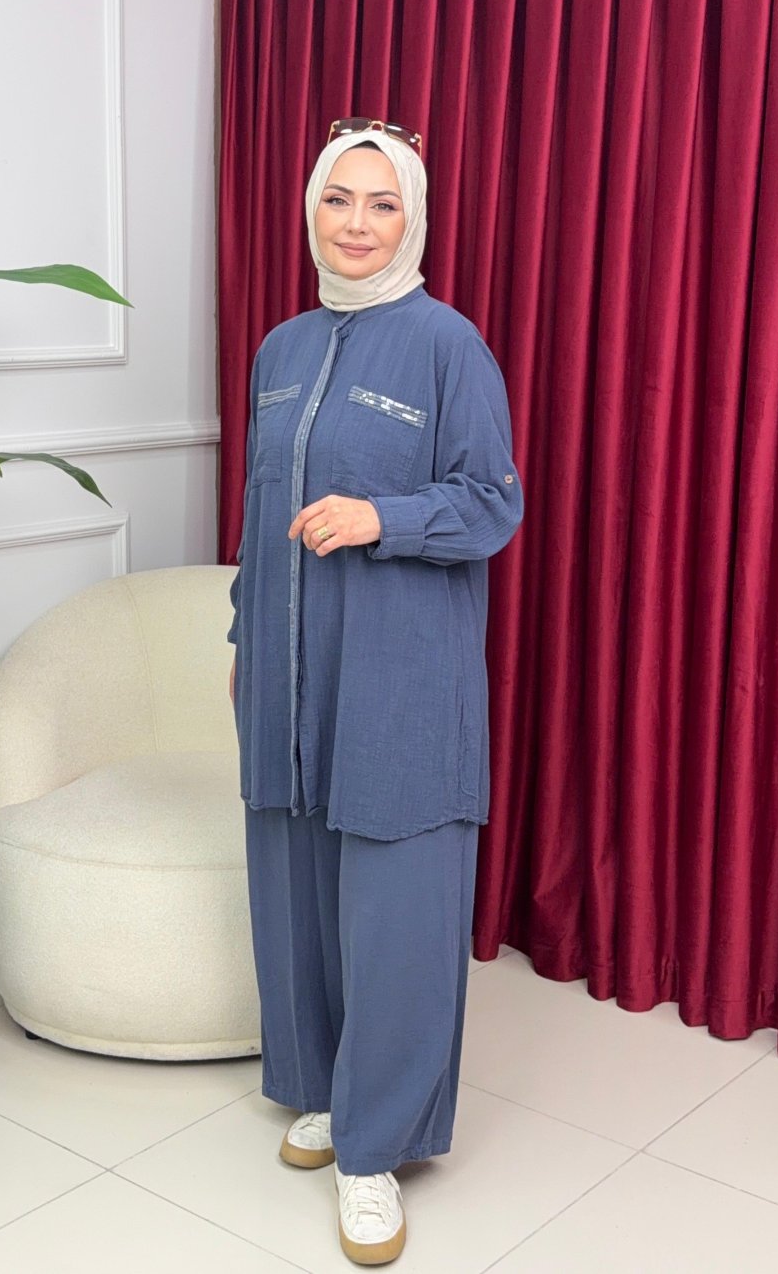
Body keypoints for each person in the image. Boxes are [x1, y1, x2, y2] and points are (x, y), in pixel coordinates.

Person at [226, 117, 524, 1266]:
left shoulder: (449, 346)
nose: (356, 223)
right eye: (338, 199)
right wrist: (247, 635)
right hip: (288, 670)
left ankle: (376, 1148)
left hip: (401, 676)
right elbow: (258, 512)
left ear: (414, 218)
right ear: (312, 209)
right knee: (296, 890)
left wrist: (380, 518)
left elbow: (490, 503)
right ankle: (322, 1089)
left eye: (382, 202)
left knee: (397, 909)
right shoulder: (280, 349)